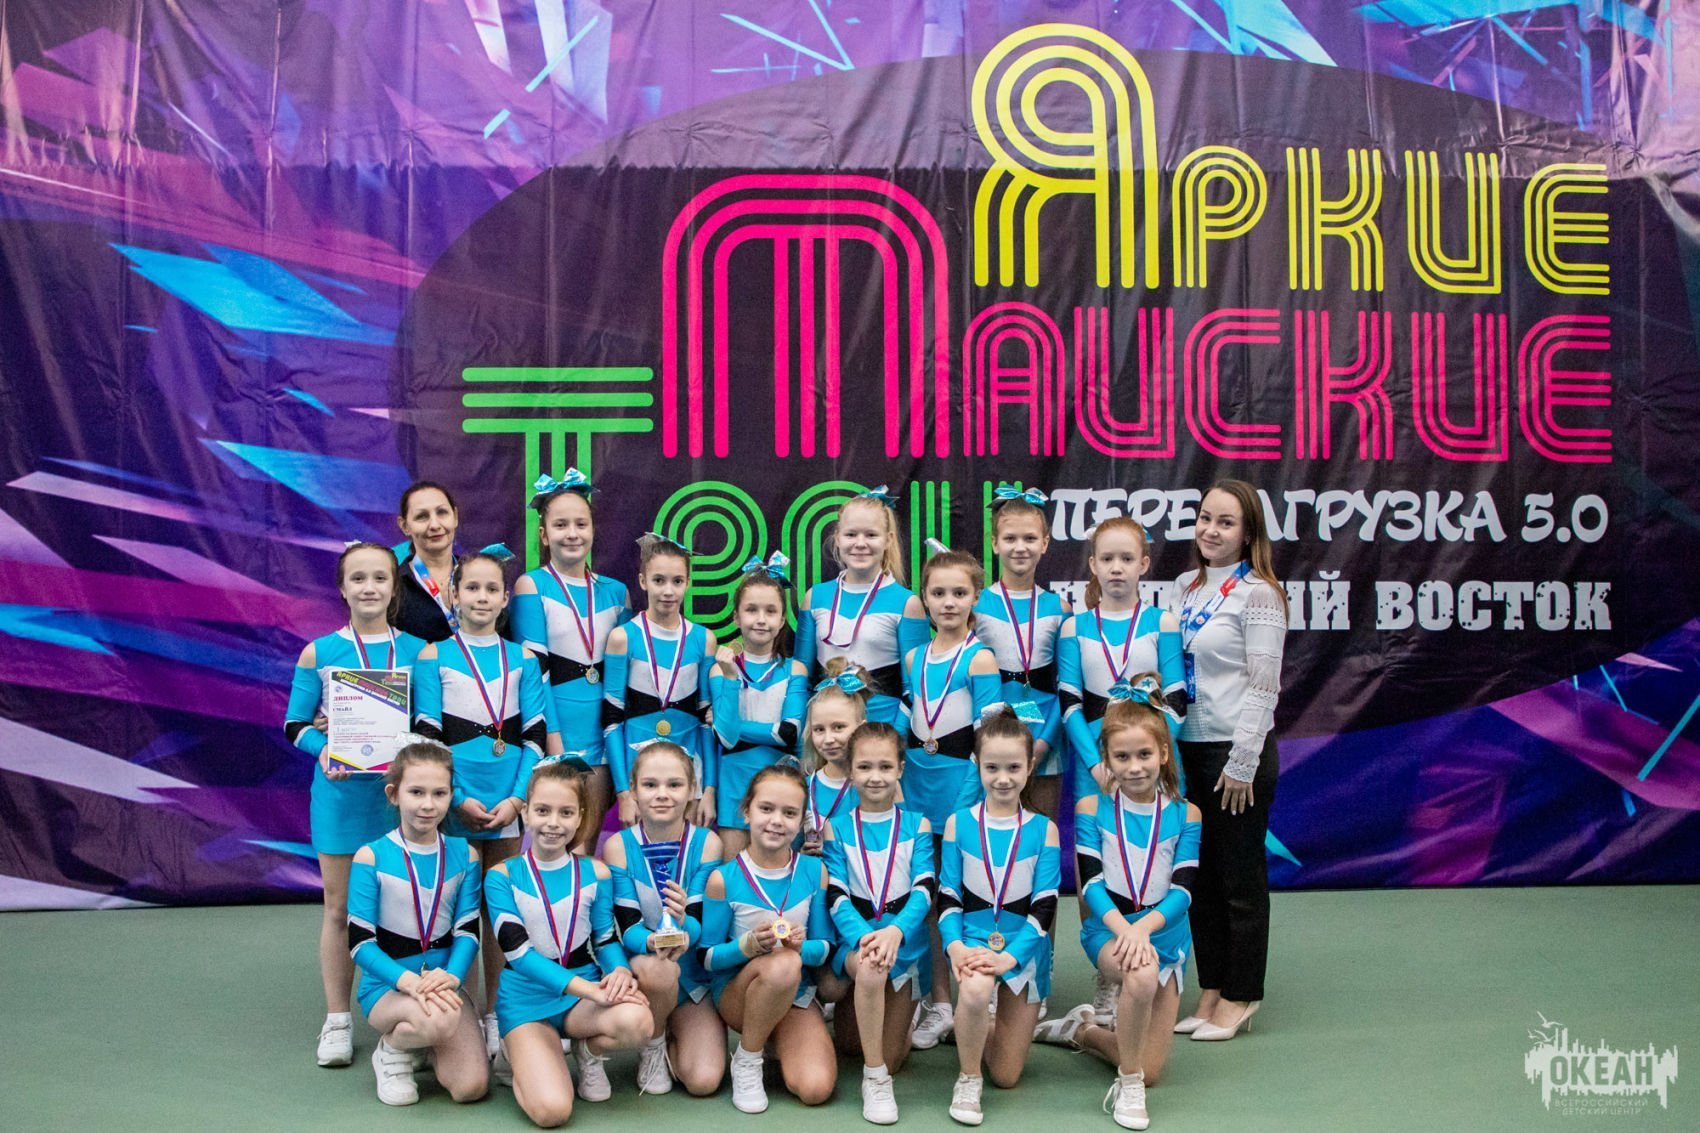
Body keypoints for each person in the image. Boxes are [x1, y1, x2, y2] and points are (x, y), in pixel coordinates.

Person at [285, 541, 428, 1068]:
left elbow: (430, 723)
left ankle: (409, 1012)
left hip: (403, 801)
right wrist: (324, 749)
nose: (369, 587)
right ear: (342, 588)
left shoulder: (420, 651)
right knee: (340, 909)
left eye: (380, 578)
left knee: (406, 907)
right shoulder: (318, 653)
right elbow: (294, 723)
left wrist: (410, 746)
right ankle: (338, 1020)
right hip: (341, 797)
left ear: (394, 588)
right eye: (358, 578)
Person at [1036, 680, 1201, 1130]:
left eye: (1144, 755)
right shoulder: (1091, 808)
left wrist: (1144, 929)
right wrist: (1125, 930)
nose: (1134, 767)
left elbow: (1184, 890)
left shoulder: (1187, 813)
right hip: (1110, 932)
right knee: (1140, 976)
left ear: (1163, 753)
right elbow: (1090, 885)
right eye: (1122, 757)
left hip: (1165, 937)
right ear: (1106, 760)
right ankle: (1128, 1086)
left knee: (1154, 1069)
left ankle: (1083, 1031)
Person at [412, 549, 553, 1058]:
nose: (482, 597)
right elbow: (427, 738)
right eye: (472, 587)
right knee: (454, 910)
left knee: (501, 911)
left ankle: (497, 1012)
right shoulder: (433, 657)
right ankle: (459, 1008)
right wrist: (456, 798)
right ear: (454, 594)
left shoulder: (524, 659)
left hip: (508, 797)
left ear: (504, 599)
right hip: (456, 798)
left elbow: (535, 736)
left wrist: (517, 800)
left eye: (492, 589)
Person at [1166, 480, 1288, 1042]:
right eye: (1205, 518)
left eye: (1226, 522)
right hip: (1187, 750)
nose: (1211, 531)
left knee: (1239, 879)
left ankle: (1242, 994)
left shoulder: (1259, 593)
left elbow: (1264, 686)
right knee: (1201, 878)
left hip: (1236, 753)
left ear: (1248, 533)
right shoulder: (1185, 587)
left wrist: (1242, 761)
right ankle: (1211, 988)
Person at [1057, 518, 1185, 1024]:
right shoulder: (1075, 627)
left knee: (1153, 859)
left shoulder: (1162, 622)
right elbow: (1069, 705)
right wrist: (1097, 763)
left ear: (1144, 565)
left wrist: (1153, 752)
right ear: (1092, 565)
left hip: (1149, 763)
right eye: (1106, 559)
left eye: (1126, 559)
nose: (1116, 568)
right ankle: (1109, 976)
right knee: (1099, 867)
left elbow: (1176, 702)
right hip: (1097, 765)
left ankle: (1160, 960)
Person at [485, 759, 652, 1126]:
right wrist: (593, 992)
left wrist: (620, 972)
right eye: (543, 810)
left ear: (580, 818)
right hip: (527, 1000)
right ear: (526, 813)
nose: (553, 822)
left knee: (639, 1020)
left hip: (580, 999)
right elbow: (519, 955)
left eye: (566, 813)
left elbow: (605, 939)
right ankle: (514, 1053)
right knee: (552, 1112)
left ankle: (587, 1051)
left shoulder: (597, 872)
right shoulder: (501, 876)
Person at [347, 742, 488, 1108]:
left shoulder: (466, 854)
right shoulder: (371, 856)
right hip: (388, 988)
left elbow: (468, 931)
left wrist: (452, 977)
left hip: (443, 986)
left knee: (470, 1088)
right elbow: (360, 944)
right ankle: (393, 1049)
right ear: (394, 795)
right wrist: (407, 982)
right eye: (416, 792)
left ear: (451, 795)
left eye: (439, 793)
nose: (428, 804)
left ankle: (422, 1043)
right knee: (439, 1020)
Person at [939, 706, 1060, 1126]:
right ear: (976, 764)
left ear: (1030, 766)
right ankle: (968, 1077)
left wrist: (1010, 958)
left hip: (1023, 950)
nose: (1003, 778)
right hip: (973, 940)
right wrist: (956, 947)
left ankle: (972, 1027)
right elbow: (948, 897)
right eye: (992, 767)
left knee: (1007, 1077)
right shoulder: (958, 824)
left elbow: (1045, 906)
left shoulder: (1044, 829)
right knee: (974, 992)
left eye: (1013, 767)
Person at [903, 546, 1003, 1051]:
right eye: (938, 593)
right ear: (924, 597)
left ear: (975, 597)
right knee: (925, 898)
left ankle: (979, 996)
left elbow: (990, 738)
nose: (948, 602)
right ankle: (938, 1000)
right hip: (916, 784)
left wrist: (968, 801)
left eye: (959, 593)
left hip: (961, 786)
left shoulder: (980, 658)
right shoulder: (914, 657)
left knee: (964, 894)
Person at [699, 767, 837, 1113]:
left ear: (801, 821)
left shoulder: (814, 871)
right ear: (746, 812)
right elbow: (707, 958)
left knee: (815, 1089)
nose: (777, 821)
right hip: (739, 997)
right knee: (783, 964)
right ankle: (748, 1058)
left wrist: (801, 948)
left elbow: (824, 949)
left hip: (795, 996)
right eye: (766, 809)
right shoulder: (723, 879)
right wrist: (747, 946)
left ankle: (775, 1040)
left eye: (789, 813)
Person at [510, 470, 632, 852]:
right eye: (560, 525)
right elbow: (536, 674)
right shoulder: (532, 585)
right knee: (553, 845)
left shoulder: (617, 593)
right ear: (544, 535)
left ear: (593, 530)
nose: (572, 533)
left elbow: (625, 679)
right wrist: (555, 744)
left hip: (605, 736)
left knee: (585, 845)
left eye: (581, 524)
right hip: (558, 733)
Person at [822, 722, 934, 1124]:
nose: (875, 776)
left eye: (885, 767)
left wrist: (895, 932)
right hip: (860, 944)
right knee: (855, 1039)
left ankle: (888, 1043)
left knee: (893, 1057)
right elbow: (836, 896)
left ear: (901, 768)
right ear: (850, 771)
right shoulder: (836, 827)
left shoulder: (918, 824)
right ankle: (875, 1078)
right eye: (865, 767)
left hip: (903, 945)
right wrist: (868, 938)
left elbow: (924, 890)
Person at [605, 741, 728, 1097]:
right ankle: (654, 1043)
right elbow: (628, 929)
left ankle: (677, 1033)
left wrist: (683, 924)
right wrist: (654, 941)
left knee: (704, 1081)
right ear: (633, 790)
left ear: (692, 789)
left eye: (674, 784)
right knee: (660, 970)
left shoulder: (708, 843)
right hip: (647, 972)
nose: (662, 794)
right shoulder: (618, 846)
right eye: (650, 785)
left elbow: (700, 925)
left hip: (691, 977)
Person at [603, 534, 719, 826]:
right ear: (643, 581)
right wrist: (623, 793)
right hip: (638, 771)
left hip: (688, 772)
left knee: (685, 850)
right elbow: (611, 721)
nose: (668, 591)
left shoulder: (703, 640)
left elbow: (706, 723)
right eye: (659, 581)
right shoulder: (622, 638)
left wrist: (708, 790)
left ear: (688, 582)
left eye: (677, 581)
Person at [973, 485, 1070, 825]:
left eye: (1030, 538)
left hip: (1045, 736)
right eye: (1010, 538)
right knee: (993, 829)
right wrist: (984, 738)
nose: (1020, 547)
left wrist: (1044, 743)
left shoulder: (1059, 608)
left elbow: (1067, 686)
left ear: (1045, 543)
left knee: (1042, 829)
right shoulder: (976, 605)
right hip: (992, 736)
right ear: (994, 543)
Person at [795, 486, 929, 726]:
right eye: (851, 534)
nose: (860, 543)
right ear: (837, 538)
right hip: (828, 729)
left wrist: (894, 738)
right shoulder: (815, 597)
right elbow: (800, 678)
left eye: (871, 535)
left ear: (888, 540)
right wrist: (804, 737)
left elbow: (916, 688)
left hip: (881, 727)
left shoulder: (907, 603)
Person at [710, 553, 808, 857]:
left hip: (783, 781)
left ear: (782, 620)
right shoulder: (720, 670)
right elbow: (726, 739)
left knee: (781, 872)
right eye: (751, 610)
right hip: (734, 781)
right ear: (736, 617)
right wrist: (730, 678)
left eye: (770, 611)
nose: (761, 619)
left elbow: (789, 732)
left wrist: (731, 724)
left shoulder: (795, 670)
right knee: (734, 873)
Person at [799, 661, 874, 855]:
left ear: (861, 728)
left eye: (838, 727)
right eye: (819, 729)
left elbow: (893, 844)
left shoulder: (874, 784)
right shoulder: (803, 787)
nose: (828, 739)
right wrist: (802, 856)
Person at [394, 481, 463, 643]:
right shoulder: (393, 586)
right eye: (422, 516)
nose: (434, 525)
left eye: (442, 512)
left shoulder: (480, 576)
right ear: (404, 526)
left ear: (455, 517)